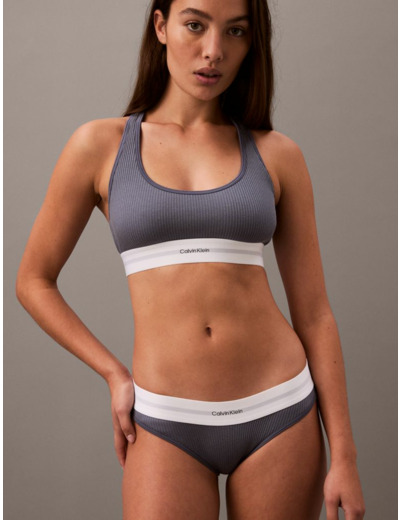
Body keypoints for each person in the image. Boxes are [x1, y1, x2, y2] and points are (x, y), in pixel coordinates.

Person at [16, 0, 366, 518]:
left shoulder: (277, 154)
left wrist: (346, 456)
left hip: (280, 409)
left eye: (236, 31)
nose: (213, 51)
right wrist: (114, 374)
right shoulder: (101, 146)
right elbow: (33, 280)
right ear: (161, 26)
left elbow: (314, 315)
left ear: (252, 42)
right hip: (165, 418)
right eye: (195, 25)